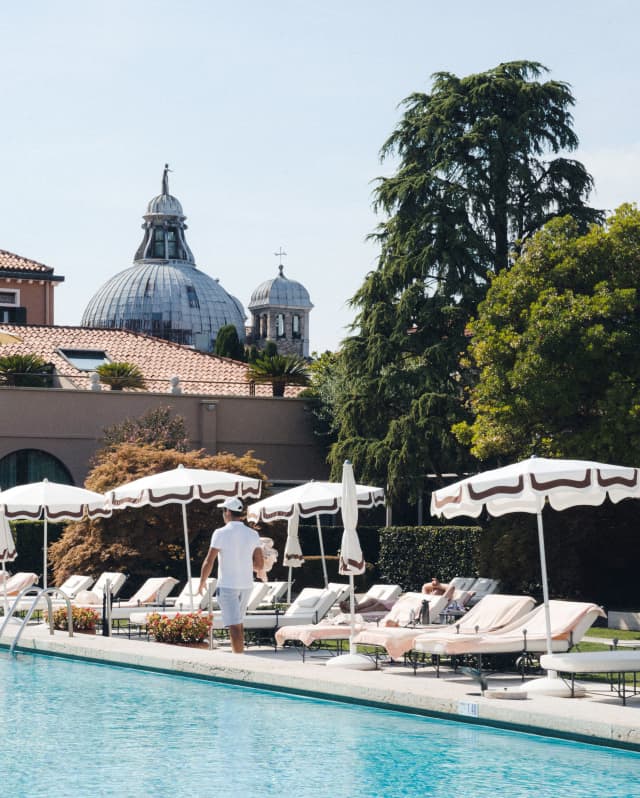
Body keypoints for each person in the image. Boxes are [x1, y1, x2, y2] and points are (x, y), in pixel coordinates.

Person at [198, 496, 264, 654]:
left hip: (228, 586)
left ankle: (238, 661)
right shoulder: (253, 534)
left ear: (228, 512)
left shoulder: (220, 533)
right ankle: (240, 657)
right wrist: (245, 564)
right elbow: (259, 565)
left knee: (234, 625)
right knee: (239, 624)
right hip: (247, 585)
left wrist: (202, 582)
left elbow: (209, 561)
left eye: (223, 510)